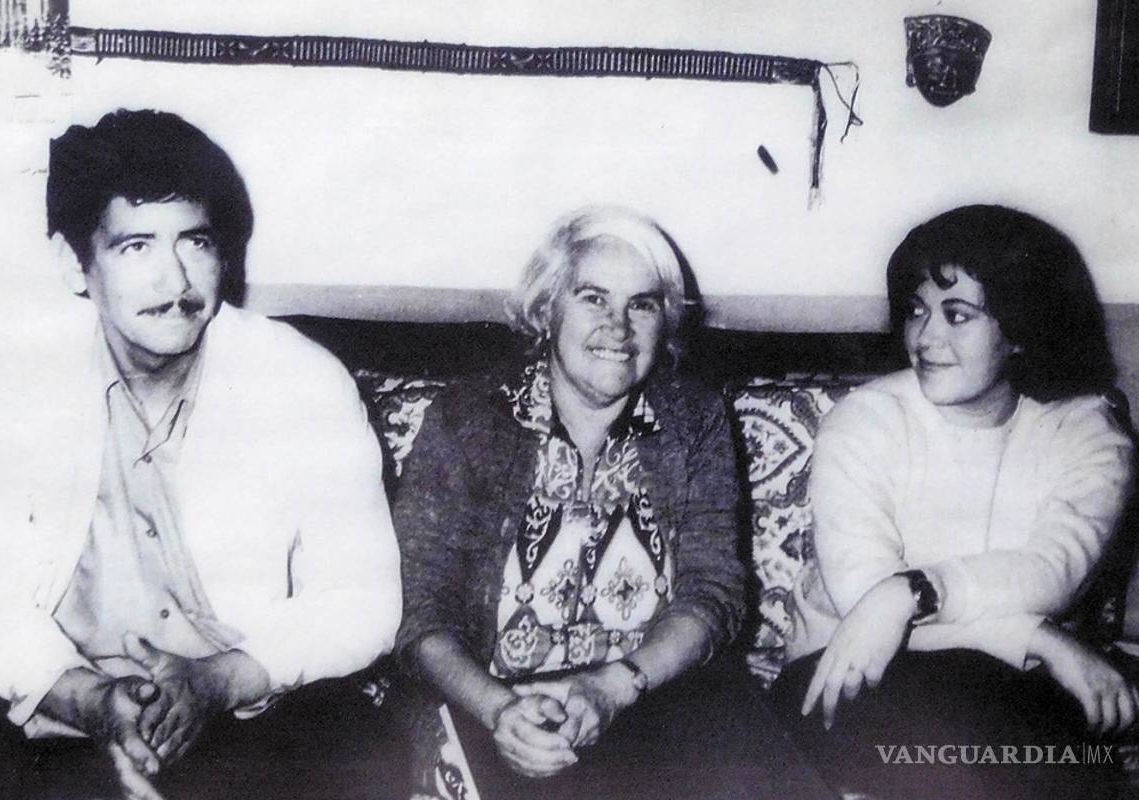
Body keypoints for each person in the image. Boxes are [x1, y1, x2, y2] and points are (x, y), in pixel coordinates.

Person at [0, 109, 403, 800]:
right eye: (136, 247)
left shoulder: (301, 380)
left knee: (363, 745)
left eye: (196, 242)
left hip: (240, 704)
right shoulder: (9, 380)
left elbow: (364, 600)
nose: (175, 278)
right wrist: (86, 698)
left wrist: (220, 681)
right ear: (74, 263)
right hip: (57, 709)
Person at [772, 204, 1137, 799]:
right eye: (916, 310)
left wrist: (911, 592)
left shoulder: (1087, 430)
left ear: (1020, 329)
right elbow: (864, 602)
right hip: (849, 675)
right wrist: (1038, 639)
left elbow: (1053, 568)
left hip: (1007, 686)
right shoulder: (864, 420)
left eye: (957, 315)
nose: (925, 338)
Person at [391, 206, 755, 799]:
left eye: (642, 305)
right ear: (546, 309)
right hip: (497, 707)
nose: (619, 327)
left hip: (651, 694)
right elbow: (420, 609)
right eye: (594, 298)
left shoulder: (694, 419)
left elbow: (715, 592)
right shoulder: (467, 419)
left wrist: (614, 686)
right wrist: (497, 709)